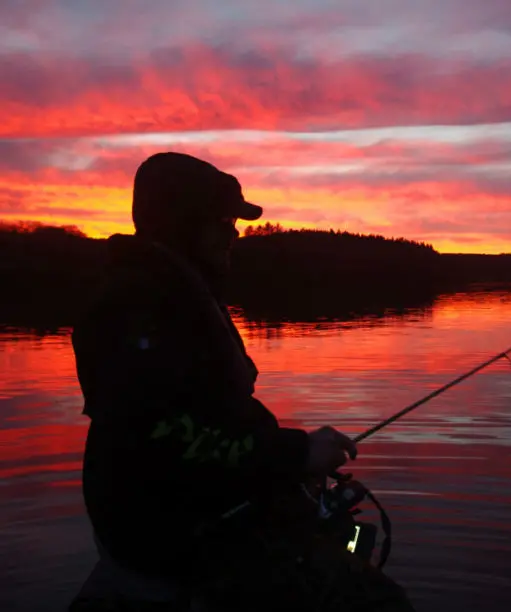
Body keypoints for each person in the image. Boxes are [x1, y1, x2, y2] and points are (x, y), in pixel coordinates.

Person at [69, 152, 415, 611]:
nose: (235, 231)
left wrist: (294, 458)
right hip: (166, 534)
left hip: (194, 512)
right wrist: (296, 453)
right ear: (184, 223)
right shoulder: (135, 309)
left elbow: (216, 417)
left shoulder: (176, 294)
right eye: (223, 220)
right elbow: (167, 436)